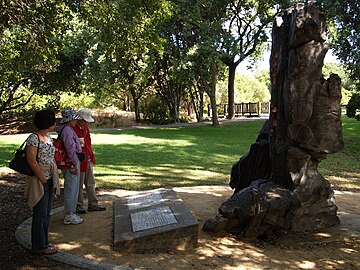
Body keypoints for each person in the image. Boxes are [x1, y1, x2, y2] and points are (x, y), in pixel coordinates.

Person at [25, 109, 61, 254]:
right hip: (40, 178)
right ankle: (39, 246)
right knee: (40, 213)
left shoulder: (49, 138)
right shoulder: (33, 138)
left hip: (50, 177)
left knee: (47, 212)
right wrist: (41, 178)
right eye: (52, 119)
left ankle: (44, 242)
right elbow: (31, 160)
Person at [55, 108, 84, 225]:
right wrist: (74, 163)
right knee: (71, 186)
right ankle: (69, 214)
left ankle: (71, 212)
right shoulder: (67, 130)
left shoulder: (65, 129)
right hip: (70, 161)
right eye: (74, 120)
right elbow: (70, 148)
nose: (75, 122)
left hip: (70, 161)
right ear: (69, 120)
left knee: (72, 185)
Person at [74, 109, 106, 213]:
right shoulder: (73, 129)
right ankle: (79, 205)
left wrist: (91, 156)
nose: (86, 123)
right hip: (79, 160)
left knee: (90, 182)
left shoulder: (86, 128)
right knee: (78, 184)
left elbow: (88, 143)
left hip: (87, 159)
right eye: (84, 120)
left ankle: (93, 204)